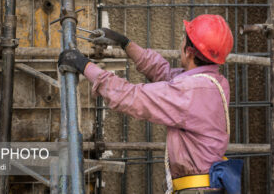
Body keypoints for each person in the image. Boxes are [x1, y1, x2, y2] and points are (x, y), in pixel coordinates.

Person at [58, 14, 242, 194]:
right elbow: (164, 73)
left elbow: (132, 97)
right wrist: (125, 43)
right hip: (206, 186)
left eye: (182, 40)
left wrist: (84, 66)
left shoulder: (191, 91)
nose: (180, 44)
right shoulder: (213, 82)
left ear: (189, 51)